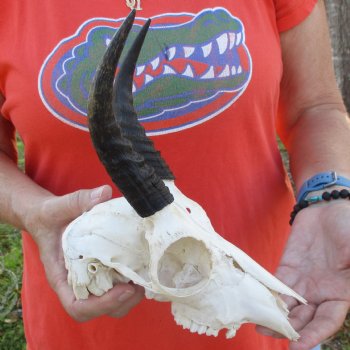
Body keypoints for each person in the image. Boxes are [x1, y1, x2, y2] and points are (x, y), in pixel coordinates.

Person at [0, 0, 349, 349]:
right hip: (79, 336)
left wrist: (329, 195)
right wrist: (33, 212)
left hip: (275, 300)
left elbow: (314, 107)